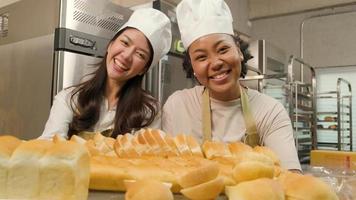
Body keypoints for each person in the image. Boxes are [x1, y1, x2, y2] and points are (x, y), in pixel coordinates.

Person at [162, 0, 301, 171]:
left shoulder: (270, 111)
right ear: (193, 68)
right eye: (201, 57)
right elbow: (167, 169)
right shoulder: (177, 106)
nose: (215, 63)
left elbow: (291, 177)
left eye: (222, 50)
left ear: (239, 52)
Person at [40, 8, 172, 139]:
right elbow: (49, 147)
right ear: (110, 45)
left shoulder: (149, 112)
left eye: (140, 54)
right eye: (125, 42)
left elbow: (146, 158)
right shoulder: (69, 99)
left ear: (144, 69)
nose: (126, 56)